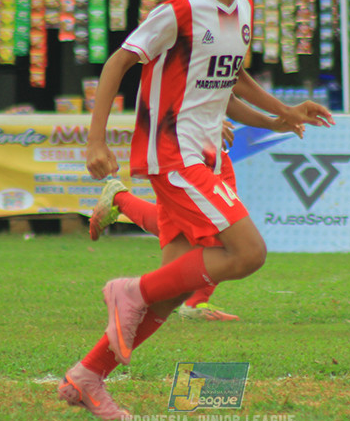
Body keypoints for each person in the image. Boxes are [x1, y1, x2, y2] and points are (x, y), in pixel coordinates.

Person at [58, 0, 333, 421]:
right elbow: (118, 63)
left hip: (202, 155)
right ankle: (125, 289)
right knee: (247, 253)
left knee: (175, 288)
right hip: (172, 155)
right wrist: (97, 141)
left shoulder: (242, 9)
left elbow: (229, 83)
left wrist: (283, 114)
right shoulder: (179, 11)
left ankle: (87, 376)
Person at [89, 96, 306, 322]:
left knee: (184, 234)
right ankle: (187, 302)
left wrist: (272, 119)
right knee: (223, 233)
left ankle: (121, 201)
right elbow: (157, 84)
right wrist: (205, 123)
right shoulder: (175, 64)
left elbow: (228, 90)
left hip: (198, 151)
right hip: (184, 154)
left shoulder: (212, 67)